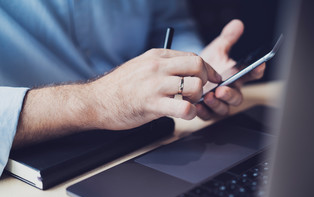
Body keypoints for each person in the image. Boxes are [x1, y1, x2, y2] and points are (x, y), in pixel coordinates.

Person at [0, 0, 265, 176]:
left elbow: (170, 24)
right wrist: (101, 100)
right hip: (28, 169)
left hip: (153, 140)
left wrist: (193, 68)